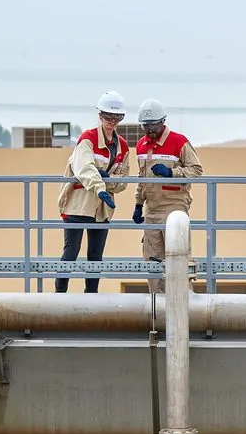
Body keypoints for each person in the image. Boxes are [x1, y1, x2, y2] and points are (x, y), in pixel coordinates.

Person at [55, 91, 131, 293]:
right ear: (100, 115)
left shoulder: (122, 146)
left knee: (95, 256)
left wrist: (108, 181)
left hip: (102, 209)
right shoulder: (87, 139)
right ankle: (59, 295)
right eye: (108, 117)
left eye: (117, 118)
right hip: (78, 205)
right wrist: (100, 187)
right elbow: (84, 168)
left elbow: (124, 179)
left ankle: (91, 295)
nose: (112, 121)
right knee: (71, 252)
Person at [131, 99, 203, 294]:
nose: (149, 129)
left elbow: (196, 170)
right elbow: (142, 177)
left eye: (153, 124)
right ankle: (157, 311)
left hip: (174, 208)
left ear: (163, 121)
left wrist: (172, 173)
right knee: (153, 262)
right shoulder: (141, 145)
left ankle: (183, 307)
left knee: (178, 259)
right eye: (146, 125)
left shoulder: (179, 142)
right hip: (151, 210)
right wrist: (138, 204)